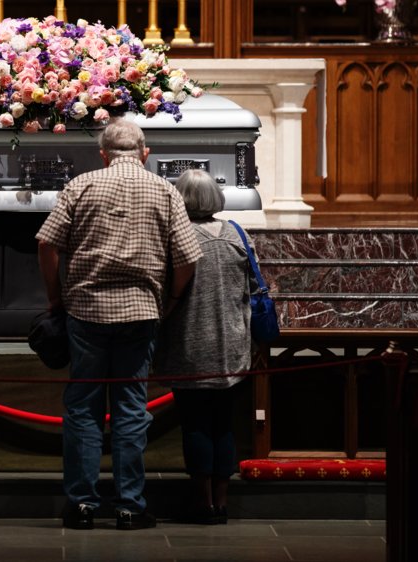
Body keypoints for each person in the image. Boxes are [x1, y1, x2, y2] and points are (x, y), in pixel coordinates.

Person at [36, 119, 202, 531]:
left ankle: (82, 505)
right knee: (130, 409)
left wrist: (56, 297)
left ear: (103, 154)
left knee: (83, 409)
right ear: (145, 153)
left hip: (86, 311)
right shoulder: (164, 190)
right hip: (141, 312)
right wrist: (170, 300)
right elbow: (187, 258)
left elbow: (47, 243)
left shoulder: (81, 185)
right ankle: (130, 506)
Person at [154, 169, 257, 525]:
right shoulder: (237, 234)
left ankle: (203, 503)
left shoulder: (179, 237)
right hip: (233, 344)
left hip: (191, 343)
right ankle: (222, 502)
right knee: (223, 425)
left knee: (195, 425)